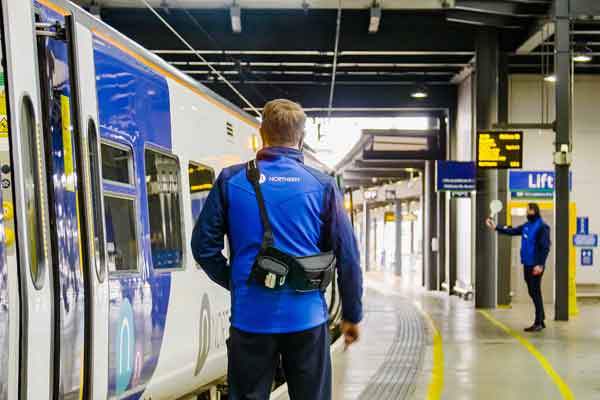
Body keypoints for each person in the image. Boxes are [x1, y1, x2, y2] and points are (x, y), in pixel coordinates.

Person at [191, 99, 363, 400]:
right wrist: (352, 315)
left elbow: (203, 246)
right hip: (307, 317)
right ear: (302, 137)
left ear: (262, 132)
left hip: (250, 318)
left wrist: (238, 281)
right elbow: (347, 256)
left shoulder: (231, 180)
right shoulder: (322, 185)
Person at [486, 202, 550, 332]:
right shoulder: (527, 226)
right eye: (526, 211)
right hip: (527, 264)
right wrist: (496, 227)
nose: (527, 213)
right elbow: (512, 230)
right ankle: (541, 319)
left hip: (535, 265)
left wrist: (540, 264)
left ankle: (539, 321)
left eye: (528, 211)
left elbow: (545, 247)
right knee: (533, 292)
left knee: (535, 292)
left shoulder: (542, 227)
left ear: (534, 211)